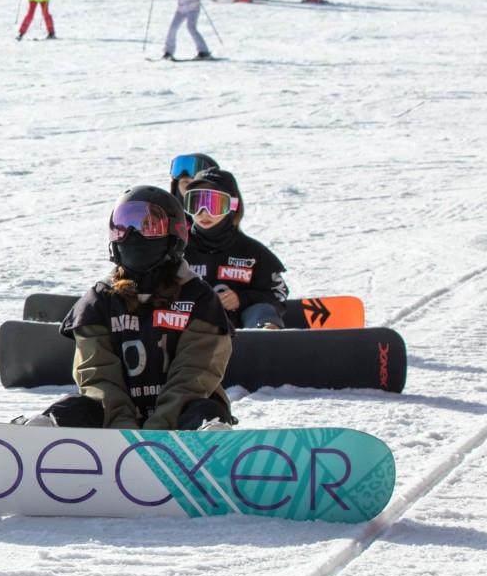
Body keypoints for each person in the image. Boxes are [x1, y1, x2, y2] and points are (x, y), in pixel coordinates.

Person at [15, 187, 232, 431]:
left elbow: (195, 374)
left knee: (205, 409)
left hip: (181, 417)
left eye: (147, 227)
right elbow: (97, 375)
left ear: (174, 234)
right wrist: (123, 431)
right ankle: (41, 433)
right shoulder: (99, 301)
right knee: (74, 407)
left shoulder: (199, 298)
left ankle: (212, 436)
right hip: (112, 422)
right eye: (122, 227)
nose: (132, 236)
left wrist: (158, 430)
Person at [181, 168, 287, 330]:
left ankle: (265, 342)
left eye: (214, 205)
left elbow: (278, 293)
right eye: (196, 203)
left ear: (233, 205)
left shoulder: (252, 252)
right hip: (188, 327)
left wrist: (242, 298)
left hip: (241, 328)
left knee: (262, 311)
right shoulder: (177, 249)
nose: (204, 213)